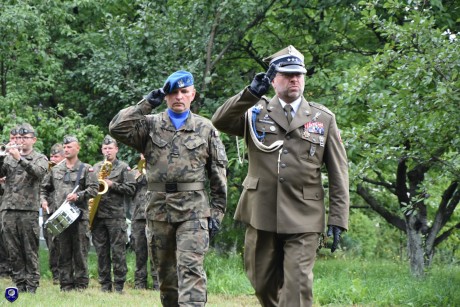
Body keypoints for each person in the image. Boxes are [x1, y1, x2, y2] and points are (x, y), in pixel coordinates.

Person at [211, 45, 350, 307]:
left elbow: (338, 172)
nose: (294, 79)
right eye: (287, 75)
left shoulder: (323, 118)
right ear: (274, 80)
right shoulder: (254, 112)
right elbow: (219, 121)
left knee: (297, 287)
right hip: (261, 211)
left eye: (299, 74)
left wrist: (338, 218)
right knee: (262, 284)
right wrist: (250, 94)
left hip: (305, 214)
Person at [109, 70, 228, 306]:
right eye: (173, 92)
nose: (179, 97)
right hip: (158, 211)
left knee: (191, 269)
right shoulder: (150, 125)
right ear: (165, 96)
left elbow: (218, 173)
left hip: (194, 211)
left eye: (184, 92)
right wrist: (145, 104)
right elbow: (117, 128)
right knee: (166, 276)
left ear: (193, 94)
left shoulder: (205, 128)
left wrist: (217, 213)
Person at [40, 135, 98, 292]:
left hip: (79, 217)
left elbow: (94, 189)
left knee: (80, 252)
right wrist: (44, 200)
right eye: (64, 147)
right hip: (61, 217)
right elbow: (44, 188)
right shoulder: (57, 168)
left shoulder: (86, 168)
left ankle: (81, 285)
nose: (66, 149)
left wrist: (78, 195)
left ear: (77, 148)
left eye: (70, 147)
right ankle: (65, 284)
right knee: (62, 251)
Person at [0, 123, 48, 293]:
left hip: (28, 211)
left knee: (30, 249)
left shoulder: (40, 157)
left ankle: (32, 285)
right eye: (19, 138)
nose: (21, 141)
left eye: (25, 138)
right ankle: (19, 284)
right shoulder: (8, 157)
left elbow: (39, 173)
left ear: (33, 140)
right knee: (13, 250)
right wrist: (1, 156)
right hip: (8, 209)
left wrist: (19, 158)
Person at [91, 135, 136, 293]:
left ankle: (119, 285)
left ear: (116, 149)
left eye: (110, 148)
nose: (107, 151)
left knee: (118, 251)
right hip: (98, 216)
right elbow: (90, 188)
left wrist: (112, 184)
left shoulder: (124, 167)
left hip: (116, 216)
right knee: (101, 252)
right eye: (105, 148)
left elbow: (131, 189)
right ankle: (104, 285)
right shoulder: (96, 167)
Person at [130, 154, 159, 290]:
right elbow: (128, 191)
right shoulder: (135, 171)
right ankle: (139, 284)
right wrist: (133, 177)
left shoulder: (160, 168)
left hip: (155, 215)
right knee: (139, 252)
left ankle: (157, 284)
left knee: (156, 251)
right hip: (138, 216)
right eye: (142, 153)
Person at [40, 143, 66, 284]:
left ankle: (66, 272)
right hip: (49, 210)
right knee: (51, 243)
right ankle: (55, 274)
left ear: (63, 156)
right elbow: (43, 188)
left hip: (63, 210)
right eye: (52, 156)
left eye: (56, 156)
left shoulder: (68, 169)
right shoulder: (48, 170)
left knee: (63, 243)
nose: (53, 159)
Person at [0, 126, 20, 278]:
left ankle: (12, 270)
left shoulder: (26, 156)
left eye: (16, 138)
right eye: (11, 138)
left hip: (18, 204)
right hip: (5, 202)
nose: (13, 142)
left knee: (12, 239)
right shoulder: (4, 156)